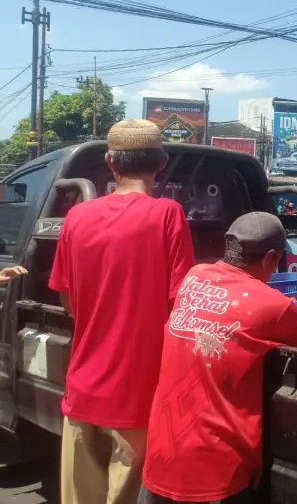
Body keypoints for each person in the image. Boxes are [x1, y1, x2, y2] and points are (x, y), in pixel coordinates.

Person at [49, 119, 196, 504]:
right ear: (161, 163)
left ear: (111, 162)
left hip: (82, 391)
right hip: (137, 397)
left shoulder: (77, 217)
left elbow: (67, 300)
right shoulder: (168, 214)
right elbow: (177, 306)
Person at [140, 212, 297, 504]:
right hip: (219, 471)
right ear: (269, 258)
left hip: (162, 456)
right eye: (277, 261)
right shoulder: (274, 305)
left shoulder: (194, 276)